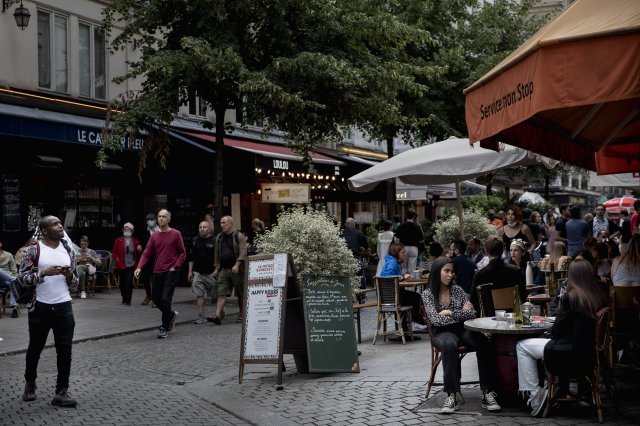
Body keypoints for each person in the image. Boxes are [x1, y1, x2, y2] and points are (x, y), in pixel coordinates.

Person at [515, 259, 609, 416]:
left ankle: (534, 397)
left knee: (522, 346)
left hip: (567, 353)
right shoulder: (599, 296)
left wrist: (556, 314)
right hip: (590, 355)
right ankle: (542, 392)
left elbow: (557, 331)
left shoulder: (570, 297)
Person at [422, 257, 501, 414]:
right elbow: (435, 320)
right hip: (442, 333)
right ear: (437, 272)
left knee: (483, 341)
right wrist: (460, 313)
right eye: (446, 271)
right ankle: (451, 395)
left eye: (452, 271)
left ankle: (487, 392)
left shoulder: (457, 290)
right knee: (449, 345)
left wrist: (449, 312)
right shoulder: (428, 294)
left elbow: (472, 313)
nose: (451, 274)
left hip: (463, 329)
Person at [20, 215, 79, 407]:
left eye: (60, 223)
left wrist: (70, 275)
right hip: (40, 307)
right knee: (35, 348)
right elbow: (22, 279)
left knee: (65, 350)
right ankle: (30, 384)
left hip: (64, 306)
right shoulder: (33, 250)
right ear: (45, 230)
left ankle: (61, 392)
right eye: (55, 224)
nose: (60, 225)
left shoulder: (67, 249)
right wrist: (42, 274)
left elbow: (76, 284)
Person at [134, 210, 186, 339]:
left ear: (169, 219)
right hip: (157, 271)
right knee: (156, 299)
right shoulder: (154, 236)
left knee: (165, 298)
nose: (161, 218)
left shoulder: (175, 234)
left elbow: (182, 253)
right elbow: (146, 253)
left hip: (171, 271)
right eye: (160, 216)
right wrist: (139, 267)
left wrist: (176, 266)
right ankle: (171, 315)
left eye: (164, 216)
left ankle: (164, 326)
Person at [379, 242, 424, 339]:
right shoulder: (392, 262)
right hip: (392, 296)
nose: (405, 254)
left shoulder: (393, 262)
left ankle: (406, 328)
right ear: (396, 253)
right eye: (403, 252)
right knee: (417, 297)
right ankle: (417, 322)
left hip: (390, 296)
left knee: (413, 296)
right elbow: (388, 276)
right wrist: (403, 277)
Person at [470, 236, 526, 312]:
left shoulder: (479, 274)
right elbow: (523, 296)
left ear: (486, 252)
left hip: (489, 316)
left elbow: (473, 300)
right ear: (502, 251)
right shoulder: (516, 271)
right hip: (512, 314)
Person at [210, 216, 247, 325]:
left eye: (224, 223)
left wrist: (237, 264)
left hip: (237, 269)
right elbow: (217, 253)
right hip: (224, 269)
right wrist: (216, 268)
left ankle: (241, 314)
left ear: (230, 224)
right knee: (221, 291)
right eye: (221, 223)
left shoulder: (239, 236)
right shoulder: (219, 237)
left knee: (240, 292)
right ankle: (217, 316)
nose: (221, 225)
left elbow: (243, 252)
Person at [188, 221, 216, 324]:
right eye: (200, 227)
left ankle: (220, 312)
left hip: (211, 273)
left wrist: (217, 270)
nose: (202, 229)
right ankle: (201, 316)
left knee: (215, 296)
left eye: (204, 227)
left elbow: (218, 258)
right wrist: (190, 272)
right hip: (198, 273)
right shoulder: (194, 240)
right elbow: (191, 258)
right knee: (199, 295)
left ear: (209, 229)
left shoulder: (215, 240)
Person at [111, 223, 142, 305]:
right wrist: (117, 260)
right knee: (122, 283)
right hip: (121, 264)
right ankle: (124, 297)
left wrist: (139, 250)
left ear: (132, 231)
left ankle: (128, 299)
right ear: (123, 230)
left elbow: (138, 254)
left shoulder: (136, 241)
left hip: (132, 264)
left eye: (129, 230)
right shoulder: (118, 241)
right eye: (125, 230)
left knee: (128, 282)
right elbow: (114, 253)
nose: (127, 231)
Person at [395, 209, 424, 274]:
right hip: (414, 248)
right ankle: (411, 283)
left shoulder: (401, 226)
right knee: (412, 269)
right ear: (414, 216)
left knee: (404, 268)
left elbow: (397, 240)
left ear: (406, 216)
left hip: (403, 248)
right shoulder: (417, 227)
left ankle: (404, 282)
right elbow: (421, 240)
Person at [140, 213, 160, 306]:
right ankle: (149, 295)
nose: (149, 221)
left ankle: (155, 299)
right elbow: (142, 243)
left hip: (157, 258)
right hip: (147, 258)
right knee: (145, 277)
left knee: (155, 278)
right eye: (147, 219)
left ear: (156, 220)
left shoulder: (160, 231)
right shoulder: (145, 231)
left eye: (151, 219)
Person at [0, 240, 20, 317]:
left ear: (0, 244)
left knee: (13, 284)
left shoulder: (8, 255)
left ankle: (14, 307)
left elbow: (14, 269)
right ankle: (15, 280)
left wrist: (14, 276)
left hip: (7, 279)